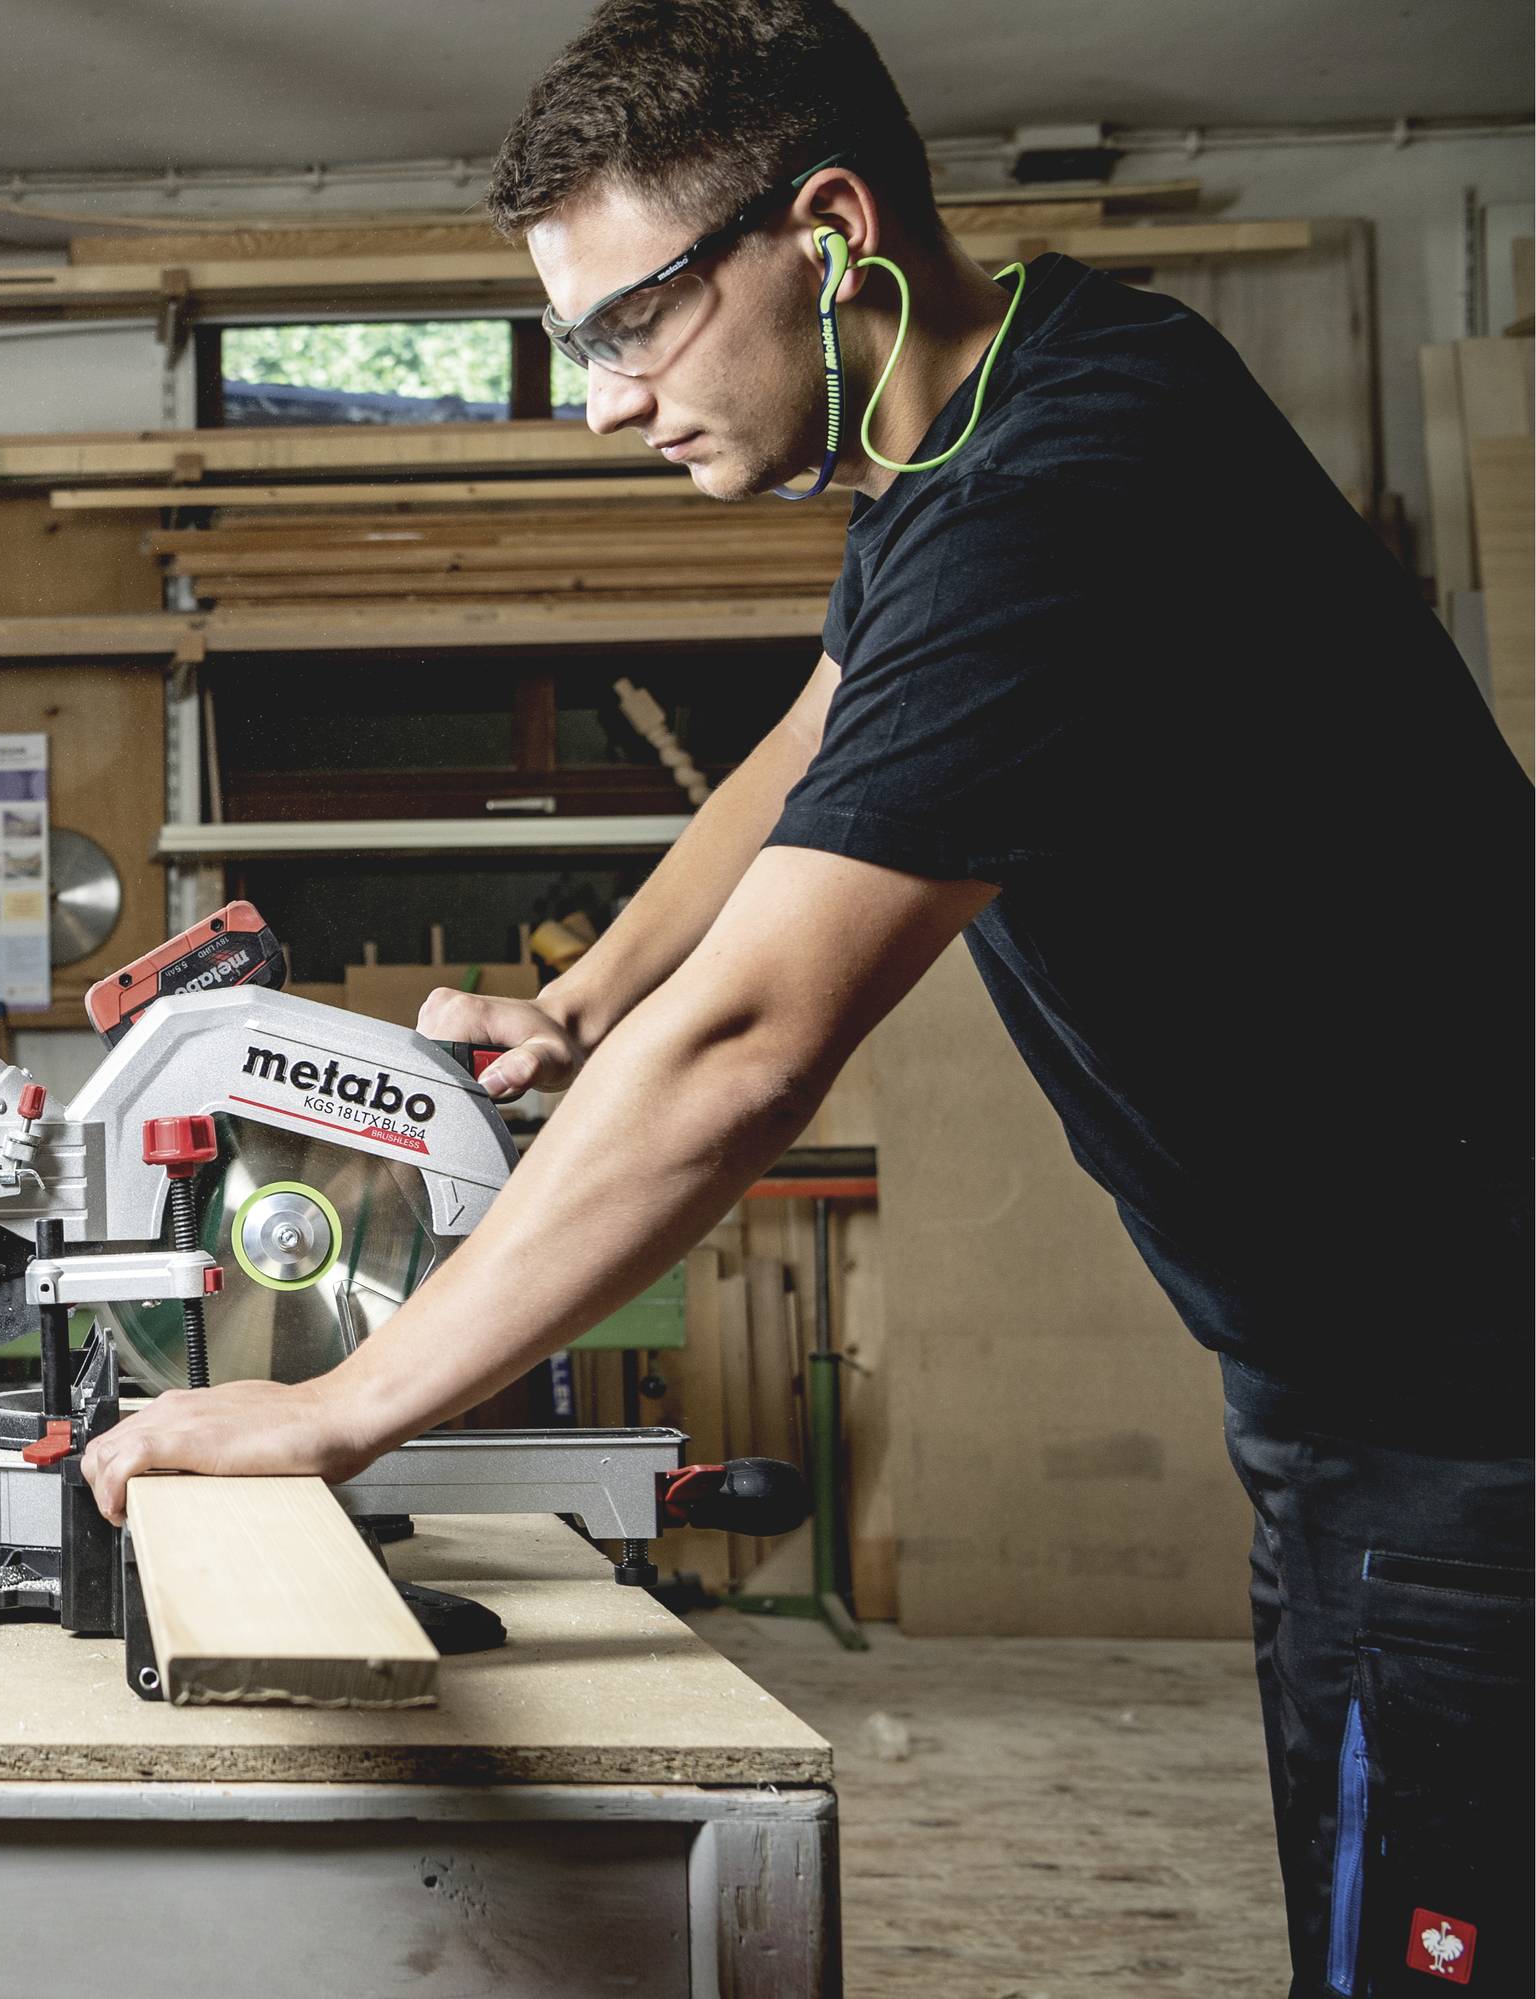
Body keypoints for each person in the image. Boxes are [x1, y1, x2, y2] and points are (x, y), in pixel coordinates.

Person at [76, 3, 1532, 1991]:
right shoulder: (1025, 394)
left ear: (828, 229)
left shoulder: (1046, 497)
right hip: (1372, 1391)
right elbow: (830, 724)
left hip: (1467, 1412)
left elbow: (760, 1044)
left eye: (627, 327)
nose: (596, 401)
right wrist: (585, 1004)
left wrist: (338, 1411)